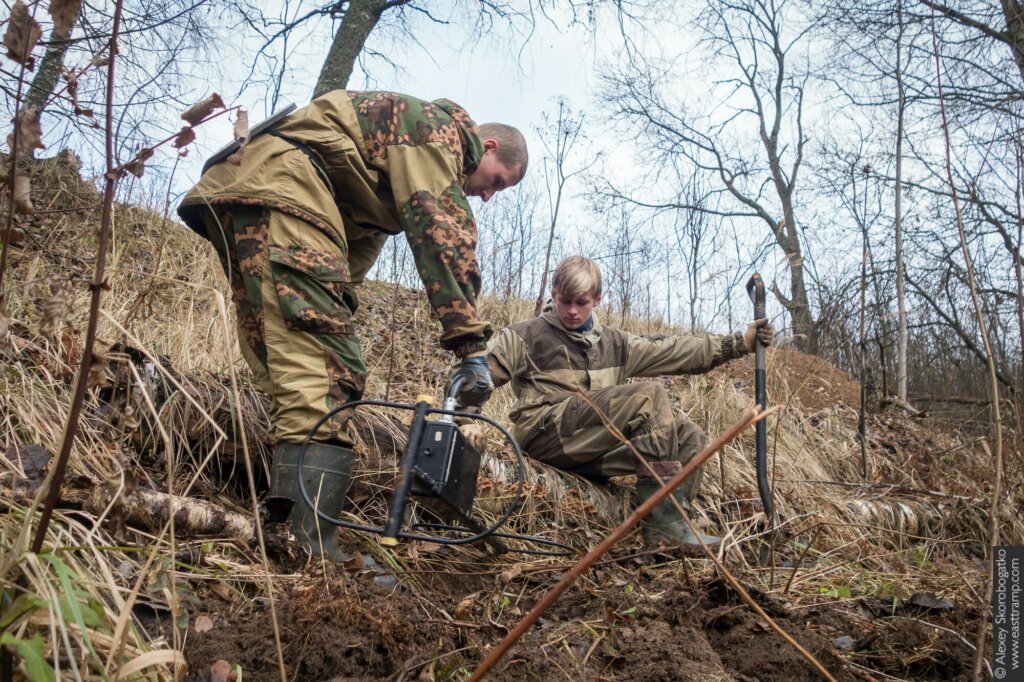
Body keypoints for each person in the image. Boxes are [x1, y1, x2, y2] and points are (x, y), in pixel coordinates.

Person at [177, 91, 525, 559]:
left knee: (288, 369)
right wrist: (471, 346)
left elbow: (350, 260)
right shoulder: (438, 132)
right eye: (496, 183)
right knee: (326, 373)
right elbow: (444, 235)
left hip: (253, 190)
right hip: (286, 187)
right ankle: (310, 552)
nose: (485, 195)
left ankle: (280, 527)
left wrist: (334, 312)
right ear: (484, 147)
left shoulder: (390, 164)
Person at [480, 256, 772, 549]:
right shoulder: (525, 335)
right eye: (564, 301)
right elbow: (477, 375)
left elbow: (671, 351)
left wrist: (738, 344)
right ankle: (661, 528)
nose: (571, 310)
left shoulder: (614, 343)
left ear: (597, 300)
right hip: (544, 438)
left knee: (688, 438)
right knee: (649, 396)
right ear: (554, 295)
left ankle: (672, 525)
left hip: (591, 449)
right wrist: (466, 420)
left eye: (581, 302)